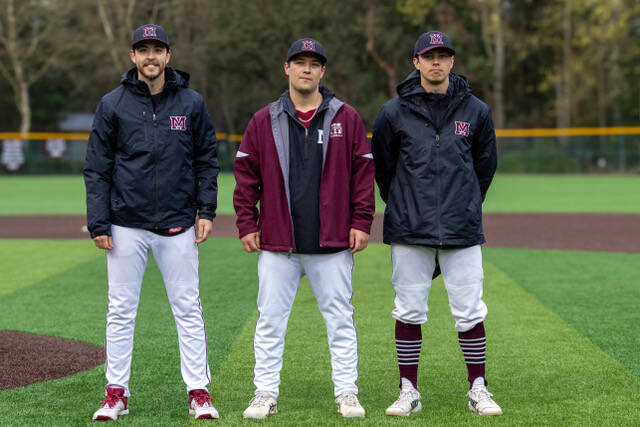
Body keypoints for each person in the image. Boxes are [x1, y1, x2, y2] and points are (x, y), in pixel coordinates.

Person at [233, 38, 375, 419]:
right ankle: (264, 392)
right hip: (279, 242)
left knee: (340, 319)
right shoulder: (264, 119)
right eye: (299, 62)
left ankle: (347, 391)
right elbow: (245, 175)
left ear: (323, 71)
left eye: (314, 63)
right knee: (270, 321)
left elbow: (363, 174)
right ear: (287, 68)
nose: (306, 69)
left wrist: (362, 221)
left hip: (332, 242)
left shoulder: (347, 117)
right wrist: (247, 221)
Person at [84, 24, 220, 421]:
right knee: (120, 310)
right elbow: (97, 168)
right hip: (126, 223)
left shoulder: (191, 103)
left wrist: (206, 211)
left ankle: (198, 392)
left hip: (178, 224)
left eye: (157, 49)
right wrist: (99, 223)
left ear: (168, 55)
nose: (150, 57)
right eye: (143, 50)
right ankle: (116, 393)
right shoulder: (113, 103)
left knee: (188, 308)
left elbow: (207, 160)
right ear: (132, 56)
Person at [371, 30, 502, 417]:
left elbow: (485, 167)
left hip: (461, 229)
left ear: (452, 62)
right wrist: (405, 205)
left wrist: (462, 204)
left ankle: (478, 387)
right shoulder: (393, 111)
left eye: (443, 56)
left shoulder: (475, 110)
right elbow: (384, 169)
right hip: (410, 228)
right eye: (428, 56)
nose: (436, 62)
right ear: (415, 62)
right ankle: (408, 390)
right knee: (408, 310)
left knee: (469, 311)